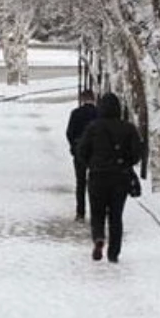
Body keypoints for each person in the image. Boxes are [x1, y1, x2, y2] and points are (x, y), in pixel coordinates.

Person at [77, 92, 142, 263]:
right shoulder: (128, 128)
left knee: (97, 212)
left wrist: (91, 164)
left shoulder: (93, 127)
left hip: (98, 176)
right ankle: (114, 253)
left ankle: (98, 237)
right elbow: (137, 154)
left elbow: (82, 151)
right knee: (116, 215)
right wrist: (125, 162)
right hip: (120, 177)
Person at [64, 89, 97, 220]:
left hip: (80, 151)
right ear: (93, 99)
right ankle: (97, 210)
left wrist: (74, 146)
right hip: (96, 152)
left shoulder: (76, 113)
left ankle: (80, 212)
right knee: (96, 183)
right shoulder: (99, 113)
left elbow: (69, 132)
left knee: (81, 182)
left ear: (82, 99)